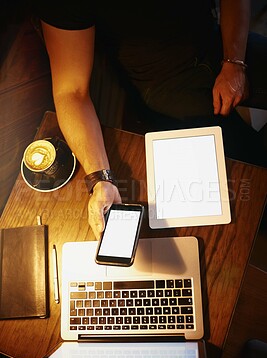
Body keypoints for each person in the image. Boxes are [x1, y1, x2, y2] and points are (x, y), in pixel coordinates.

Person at [29, 1, 267, 239]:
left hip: (216, 43)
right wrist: (100, 179)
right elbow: (71, 92)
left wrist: (234, 62)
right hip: (163, 84)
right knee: (249, 189)